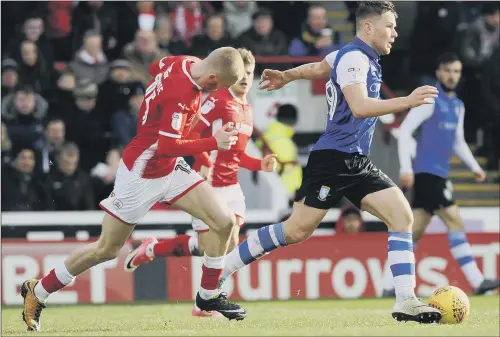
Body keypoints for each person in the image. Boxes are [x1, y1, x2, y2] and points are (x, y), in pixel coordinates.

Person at [217, 1, 442, 323]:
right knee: (295, 231)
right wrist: (407, 101)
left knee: (401, 215)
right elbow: (360, 106)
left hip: (355, 159)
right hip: (334, 159)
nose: (395, 32)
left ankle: (406, 299)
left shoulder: (348, 56)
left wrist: (287, 75)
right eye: (390, 26)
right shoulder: (354, 57)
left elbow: (318, 67)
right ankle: (222, 269)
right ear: (368, 27)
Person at [20, 47, 248, 332]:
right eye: (219, 87)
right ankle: (38, 290)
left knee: (224, 222)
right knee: (106, 249)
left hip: (169, 167)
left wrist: (153, 110)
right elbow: (166, 146)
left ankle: (208, 296)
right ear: (213, 77)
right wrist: (213, 143)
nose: (215, 93)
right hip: (141, 173)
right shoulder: (183, 95)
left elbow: (155, 66)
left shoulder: (182, 61)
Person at [123, 48, 277, 317]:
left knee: (226, 246)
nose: (244, 79)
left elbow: (235, 154)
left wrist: (257, 164)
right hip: (211, 184)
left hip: (233, 186)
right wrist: (205, 160)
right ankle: (164, 260)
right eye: (241, 73)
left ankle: (204, 297)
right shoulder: (216, 101)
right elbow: (193, 133)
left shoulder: (246, 108)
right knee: (213, 246)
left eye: (249, 73)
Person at [381, 52, 499, 297]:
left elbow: (458, 142)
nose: (452, 76)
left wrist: (475, 168)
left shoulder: (457, 105)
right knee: (454, 220)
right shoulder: (430, 100)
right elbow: (404, 132)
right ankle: (477, 280)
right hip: (428, 173)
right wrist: (405, 168)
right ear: (438, 73)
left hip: (438, 173)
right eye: (447, 70)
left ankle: (387, 284)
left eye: (456, 71)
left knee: (412, 231)